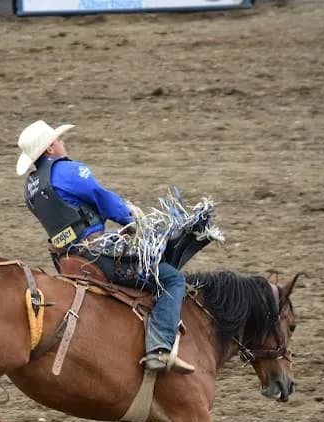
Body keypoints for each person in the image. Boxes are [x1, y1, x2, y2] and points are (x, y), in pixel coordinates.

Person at [18, 120, 194, 375]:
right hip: (96, 255)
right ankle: (160, 348)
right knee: (172, 278)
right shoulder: (67, 172)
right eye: (58, 140)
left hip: (67, 260)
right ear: (49, 150)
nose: (62, 142)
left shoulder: (31, 188)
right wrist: (131, 218)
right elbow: (102, 197)